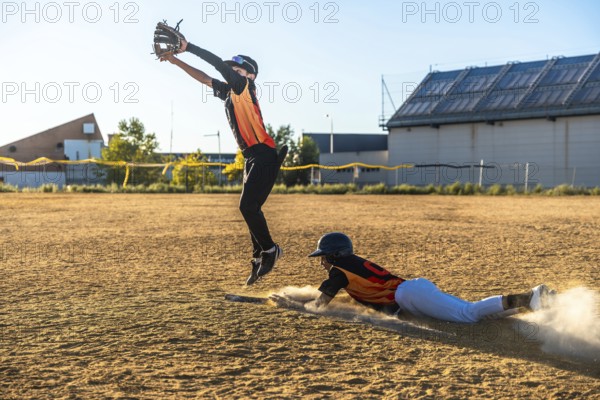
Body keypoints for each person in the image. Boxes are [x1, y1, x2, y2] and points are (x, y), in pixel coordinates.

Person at [161, 39, 284, 285]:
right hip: (253, 158)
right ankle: (259, 257)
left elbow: (217, 64)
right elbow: (205, 78)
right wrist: (175, 60)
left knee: (247, 207)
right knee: (251, 210)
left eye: (237, 70)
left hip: (264, 155)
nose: (233, 74)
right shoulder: (231, 91)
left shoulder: (244, 86)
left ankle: (270, 250)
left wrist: (188, 47)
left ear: (250, 75)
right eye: (234, 71)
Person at [275, 232, 556, 323]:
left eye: (324, 256)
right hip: (410, 293)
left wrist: (294, 304)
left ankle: (529, 296)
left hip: (408, 295)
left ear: (335, 255)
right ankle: (530, 303)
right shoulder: (348, 265)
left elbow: (320, 304)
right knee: (471, 314)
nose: (321, 261)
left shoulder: (339, 271)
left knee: (467, 313)